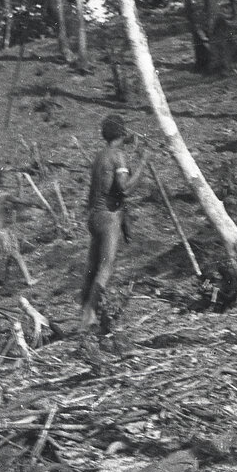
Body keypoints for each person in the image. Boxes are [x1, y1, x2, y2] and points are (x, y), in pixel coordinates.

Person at [79, 113, 148, 333]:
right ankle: (89, 317)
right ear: (122, 132)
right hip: (108, 217)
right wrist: (143, 162)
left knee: (93, 266)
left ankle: (84, 312)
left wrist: (123, 220)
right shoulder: (118, 156)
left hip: (95, 216)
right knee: (106, 267)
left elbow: (99, 192)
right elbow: (124, 188)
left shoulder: (100, 156)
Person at [0, 167, 36, 300]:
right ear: (1, 179)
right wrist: (21, 185)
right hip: (2, 233)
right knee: (16, 255)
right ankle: (29, 279)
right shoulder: (4, 195)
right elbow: (21, 201)